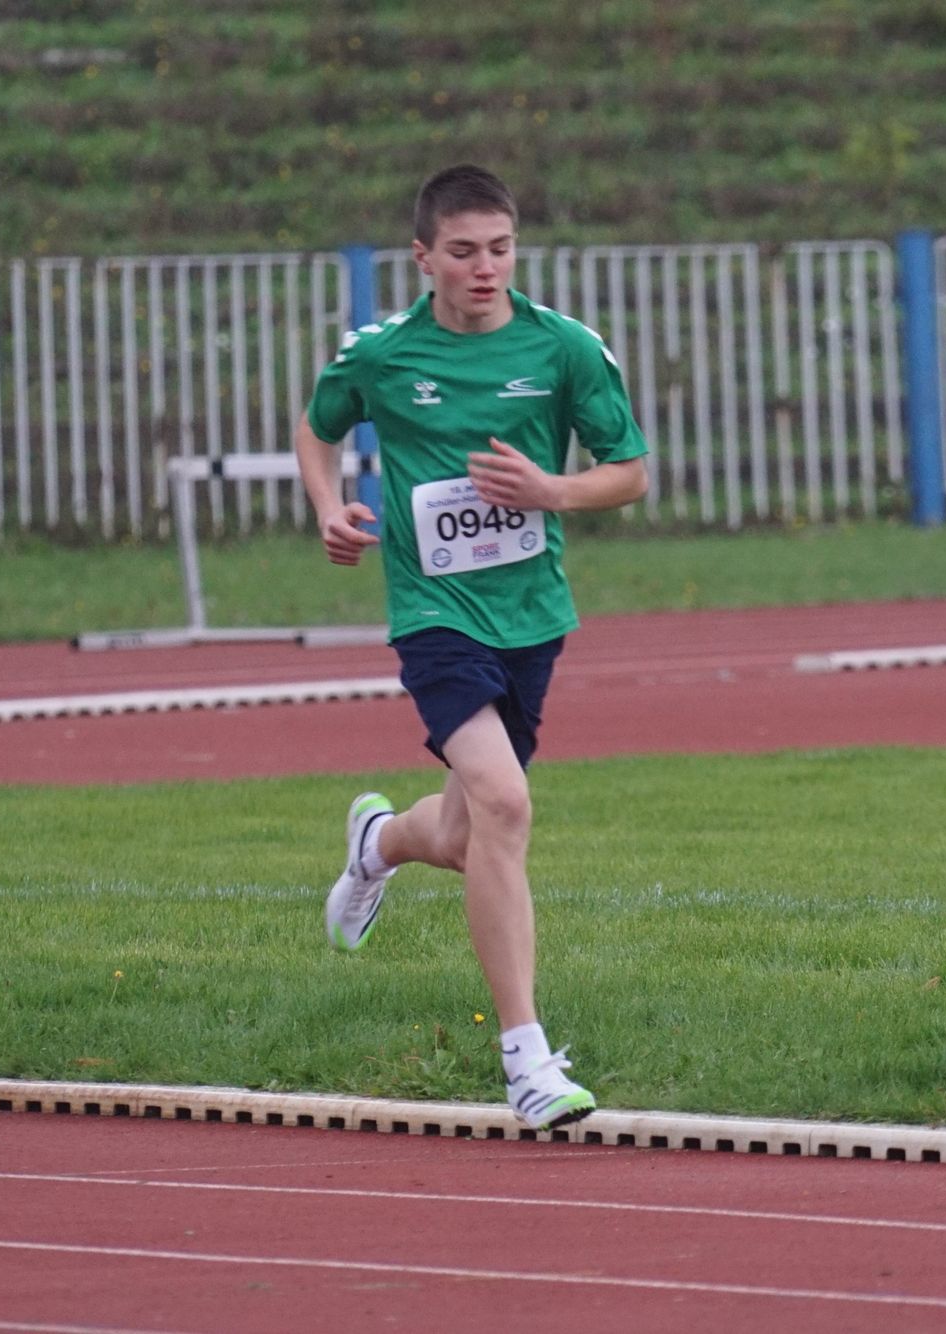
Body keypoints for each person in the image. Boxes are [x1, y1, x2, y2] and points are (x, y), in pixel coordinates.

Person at [294, 166, 649, 1131]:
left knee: (461, 836)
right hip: (434, 614)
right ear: (423, 258)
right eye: (463, 252)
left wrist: (552, 492)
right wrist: (329, 506)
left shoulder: (563, 348)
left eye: (500, 249)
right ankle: (527, 1062)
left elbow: (629, 472)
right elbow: (318, 430)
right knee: (505, 801)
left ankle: (377, 844)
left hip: (531, 614)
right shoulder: (381, 354)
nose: (485, 268)